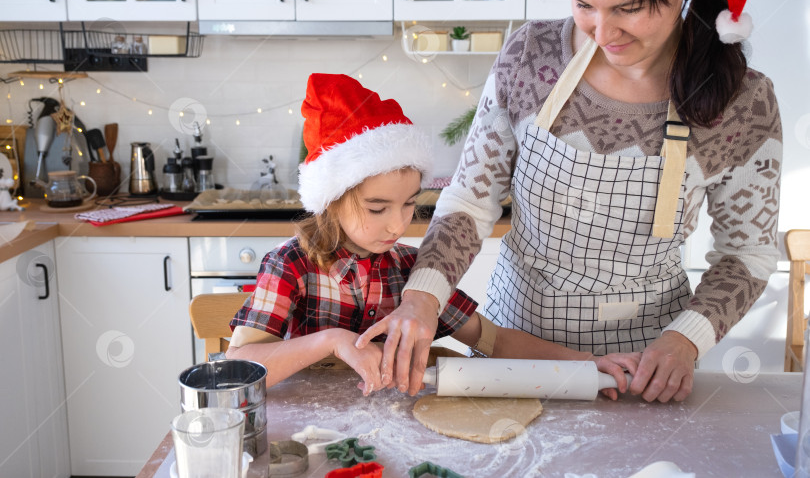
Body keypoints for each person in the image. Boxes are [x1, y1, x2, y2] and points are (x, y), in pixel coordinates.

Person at [357, 0, 782, 403]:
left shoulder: (744, 102)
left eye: (627, 9)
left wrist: (686, 339)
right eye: (583, 5)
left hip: (646, 364)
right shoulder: (530, 56)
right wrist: (423, 296)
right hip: (515, 351)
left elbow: (747, 253)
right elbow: (469, 200)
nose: (602, 32)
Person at [226, 73, 641, 398]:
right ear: (331, 199)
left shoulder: (413, 269)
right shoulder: (292, 265)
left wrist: (588, 364)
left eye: (409, 204)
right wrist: (333, 341)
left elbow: (492, 340)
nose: (398, 225)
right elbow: (241, 364)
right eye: (377, 208)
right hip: (310, 431)